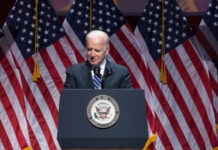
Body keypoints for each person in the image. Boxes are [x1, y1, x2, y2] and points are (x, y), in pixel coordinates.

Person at [64, 30, 132, 89]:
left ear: (107, 50)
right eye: (89, 49)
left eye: (97, 50)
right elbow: (68, 101)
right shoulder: (73, 72)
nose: (92, 55)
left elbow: (127, 100)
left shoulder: (121, 73)